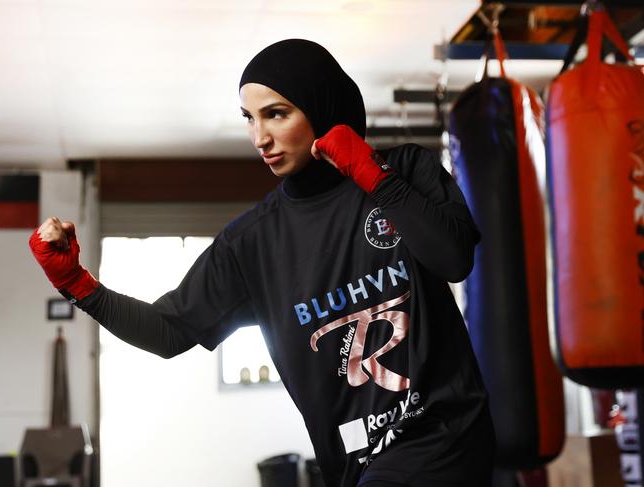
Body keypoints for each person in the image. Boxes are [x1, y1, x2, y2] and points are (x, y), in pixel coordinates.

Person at [30, 39, 494, 487]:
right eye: (249, 118)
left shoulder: (405, 172)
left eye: (276, 114)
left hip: (443, 432)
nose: (260, 137)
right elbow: (168, 330)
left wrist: (373, 174)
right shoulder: (251, 242)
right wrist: (77, 283)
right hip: (356, 460)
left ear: (321, 108)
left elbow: (453, 257)